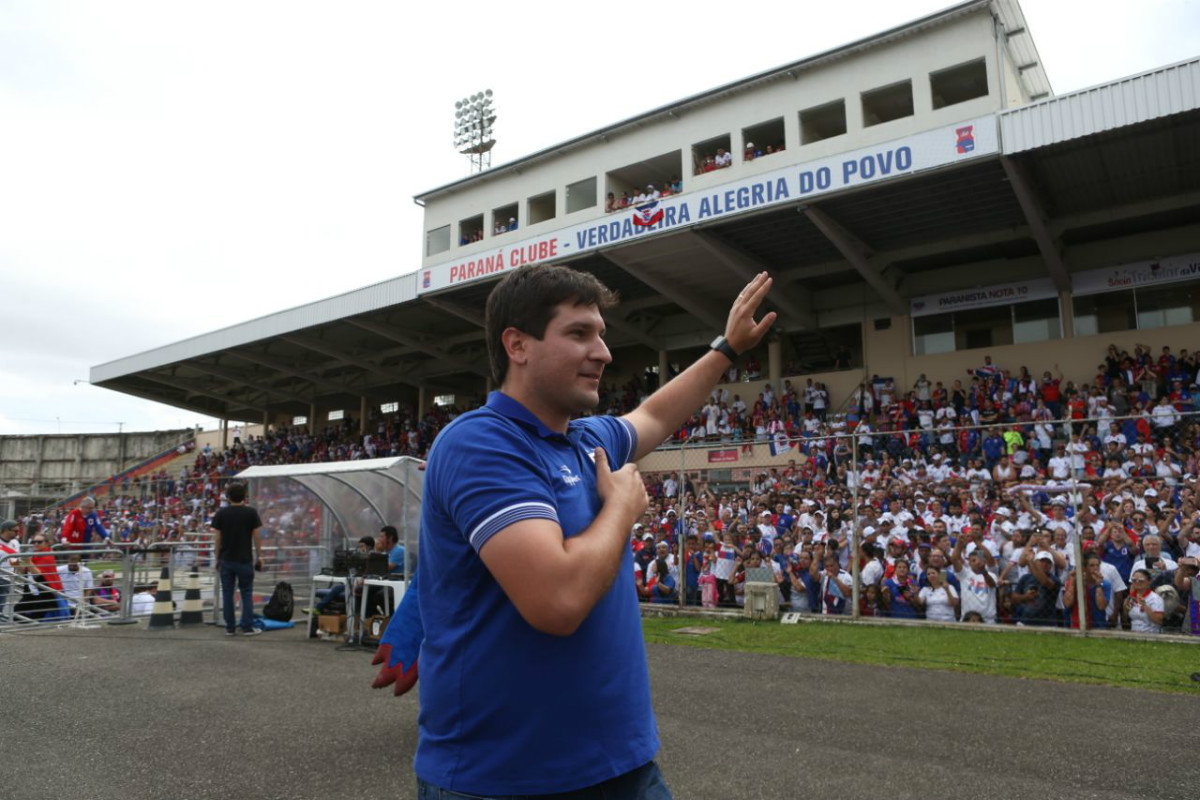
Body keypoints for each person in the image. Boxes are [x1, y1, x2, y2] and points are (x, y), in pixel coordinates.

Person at [410, 264, 775, 797]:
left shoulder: (587, 439)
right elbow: (557, 600)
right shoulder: (481, 444)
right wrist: (621, 510)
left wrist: (726, 348)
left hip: (623, 765)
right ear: (517, 344)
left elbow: (653, 414)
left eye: (601, 335)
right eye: (579, 333)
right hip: (504, 779)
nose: (603, 352)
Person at [210, 481, 264, 637]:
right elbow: (256, 536)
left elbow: (217, 538)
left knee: (228, 593)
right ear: (244, 497)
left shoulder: (221, 513)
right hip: (245, 559)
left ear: (228, 497)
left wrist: (217, 557)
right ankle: (247, 627)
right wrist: (259, 556)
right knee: (247, 593)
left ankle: (230, 628)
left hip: (227, 559)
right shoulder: (251, 513)